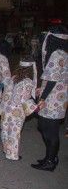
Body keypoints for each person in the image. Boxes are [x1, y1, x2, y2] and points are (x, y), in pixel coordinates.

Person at [31, 30, 67, 171]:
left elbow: (52, 80)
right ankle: (51, 156)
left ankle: (50, 161)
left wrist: (43, 97)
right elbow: (55, 78)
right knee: (45, 127)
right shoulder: (64, 53)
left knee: (49, 131)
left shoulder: (57, 54)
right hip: (59, 97)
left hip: (52, 99)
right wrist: (42, 88)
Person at [0, 57, 37, 161]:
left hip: (6, 108)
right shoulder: (28, 82)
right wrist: (35, 106)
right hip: (17, 110)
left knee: (5, 129)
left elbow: (6, 93)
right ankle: (12, 154)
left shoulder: (14, 78)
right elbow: (24, 99)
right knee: (14, 132)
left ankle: (6, 149)